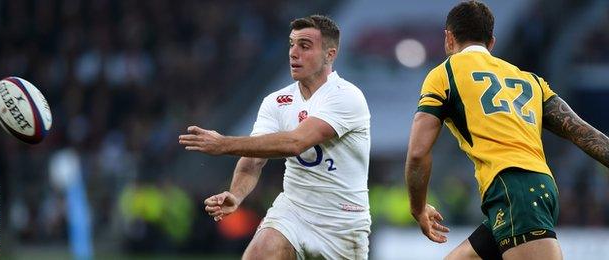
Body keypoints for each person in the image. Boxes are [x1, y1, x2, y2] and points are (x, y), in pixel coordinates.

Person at [405, 1, 609, 260]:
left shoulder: (445, 74)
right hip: (534, 188)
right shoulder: (531, 81)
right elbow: (582, 133)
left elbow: (417, 153)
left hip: (513, 189)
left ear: (448, 38)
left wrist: (418, 207)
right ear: (491, 43)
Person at [179, 15, 371, 259]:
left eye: (304, 46)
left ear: (329, 55)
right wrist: (236, 193)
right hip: (294, 211)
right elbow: (254, 158)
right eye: (291, 44)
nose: (293, 53)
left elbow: (295, 143)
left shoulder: (346, 97)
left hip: (341, 224)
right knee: (259, 253)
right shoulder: (277, 102)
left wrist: (223, 144)